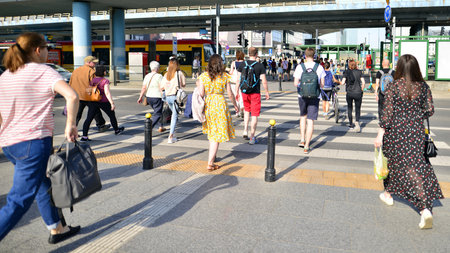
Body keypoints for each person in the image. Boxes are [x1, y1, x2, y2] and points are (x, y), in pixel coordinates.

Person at [0, 32, 80, 243]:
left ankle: (57, 229)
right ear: (37, 50)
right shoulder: (43, 71)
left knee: (43, 184)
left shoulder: (6, 75)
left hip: (9, 144)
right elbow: (72, 96)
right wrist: (70, 125)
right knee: (18, 201)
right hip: (33, 143)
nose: (48, 53)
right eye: (47, 49)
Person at [374, 54, 443, 229]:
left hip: (396, 133)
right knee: (416, 165)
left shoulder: (394, 87)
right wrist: (415, 115)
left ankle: (424, 209)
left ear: (399, 69)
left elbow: (387, 113)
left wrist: (380, 133)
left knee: (403, 167)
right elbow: (429, 110)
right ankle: (388, 194)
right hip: (416, 133)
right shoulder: (423, 87)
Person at [197, 54, 239, 171]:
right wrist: (236, 105)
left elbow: (200, 94)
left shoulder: (204, 76)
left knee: (212, 133)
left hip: (209, 104)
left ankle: (213, 156)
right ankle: (210, 163)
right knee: (216, 135)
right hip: (220, 104)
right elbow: (230, 94)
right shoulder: (224, 76)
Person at [293, 48, 325, 154]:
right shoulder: (319, 67)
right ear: (314, 56)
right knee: (310, 120)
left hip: (302, 95)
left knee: (303, 117)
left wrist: (303, 86)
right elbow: (322, 84)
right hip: (315, 96)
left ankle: (302, 140)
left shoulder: (300, 67)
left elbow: (295, 83)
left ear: (305, 56)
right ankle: (307, 146)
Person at [236, 47, 270, 145]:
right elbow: (264, 80)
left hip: (244, 91)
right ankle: (252, 137)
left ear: (248, 54)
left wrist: (237, 91)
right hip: (255, 92)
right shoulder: (260, 66)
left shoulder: (243, 64)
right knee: (254, 115)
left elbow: (238, 79)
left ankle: (245, 130)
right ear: (256, 54)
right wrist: (266, 92)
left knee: (247, 111)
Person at [80, 65, 124, 141]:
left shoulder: (93, 80)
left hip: (93, 101)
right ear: (103, 72)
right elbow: (107, 92)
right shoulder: (105, 81)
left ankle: (84, 136)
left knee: (89, 119)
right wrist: (112, 103)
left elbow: (88, 91)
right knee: (111, 115)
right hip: (104, 101)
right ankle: (116, 130)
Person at [69, 56, 109, 132]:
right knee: (95, 110)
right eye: (94, 62)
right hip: (87, 95)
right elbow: (93, 84)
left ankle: (72, 129)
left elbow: (71, 83)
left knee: (77, 114)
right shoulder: (91, 71)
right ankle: (101, 125)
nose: (95, 64)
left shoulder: (76, 70)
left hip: (77, 95)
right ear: (88, 62)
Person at [162, 58, 186, 143]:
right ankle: (171, 136)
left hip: (168, 97)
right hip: (176, 97)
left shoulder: (166, 75)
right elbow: (183, 84)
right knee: (174, 116)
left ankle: (173, 134)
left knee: (174, 115)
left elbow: (162, 87)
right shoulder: (179, 73)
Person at [138, 61, 165, 132]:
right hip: (157, 97)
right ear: (157, 68)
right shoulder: (159, 76)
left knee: (158, 111)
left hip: (149, 97)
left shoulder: (147, 76)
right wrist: (164, 96)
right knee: (158, 113)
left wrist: (140, 97)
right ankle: (149, 127)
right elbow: (161, 87)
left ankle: (160, 126)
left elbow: (144, 87)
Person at [340, 59, 365, 132]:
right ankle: (357, 122)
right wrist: (361, 89)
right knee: (358, 108)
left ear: (349, 65)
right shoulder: (359, 72)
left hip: (350, 93)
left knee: (350, 108)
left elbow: (342, 82)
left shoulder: (346, 72)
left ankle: (351, 124)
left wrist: (338, 81)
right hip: (358, 92)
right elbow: (363, 82)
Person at [229, 50, 245, 118]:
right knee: (241, 95)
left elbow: (231, 72)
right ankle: (242, 106)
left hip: (234, 82)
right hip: (242, 81)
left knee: (236, 95)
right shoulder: (245, 63)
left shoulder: (233, 63)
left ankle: (237, 111)